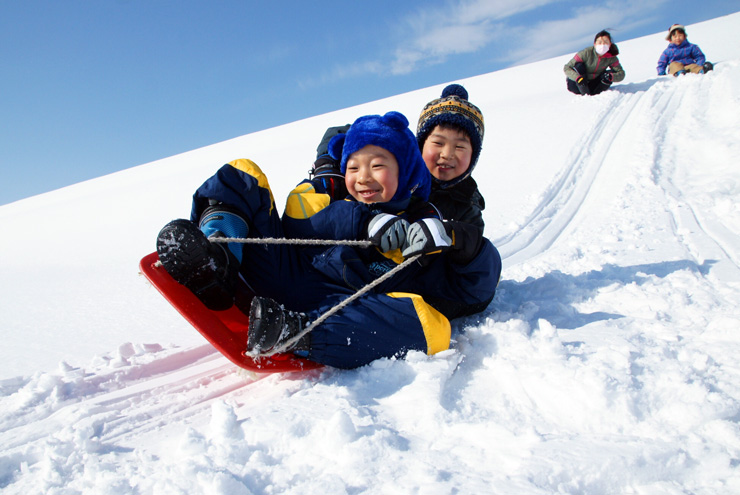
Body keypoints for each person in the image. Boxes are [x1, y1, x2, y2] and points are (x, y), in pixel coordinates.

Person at [157, 111, 501, 369]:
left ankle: (297, 334)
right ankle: (216, 261)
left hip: (341, 310)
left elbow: (472, 293)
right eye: (353, 167)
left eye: (378, 166)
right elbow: (299, 223)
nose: (363, 177)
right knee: (243, 172)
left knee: (432, 327)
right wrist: (365, 221)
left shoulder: (418, 229)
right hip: (287, 275)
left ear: (406, 173)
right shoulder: (334, 200)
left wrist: (463, 243)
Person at [414, 83, 493, 317]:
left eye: (459, 147)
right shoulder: (399, 183)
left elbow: (471, 248)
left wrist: (452, 235)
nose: (447, 154)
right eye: (438, 143)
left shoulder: (467, 201)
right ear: (420, 146)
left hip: (433, 286)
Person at [564, 30, 625, 96]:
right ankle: (585, 94)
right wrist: (577, 78)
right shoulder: (586, 53)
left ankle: (594, 94)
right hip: (578, 83)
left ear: (610, 44)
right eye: (600, 42)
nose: (602, 45)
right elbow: (567, 67)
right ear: (595, 44)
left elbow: (621, 73)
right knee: (579, 66)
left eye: (606, 42)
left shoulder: (611, 57)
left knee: (608, 74)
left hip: (594, 83)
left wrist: (611, 77)